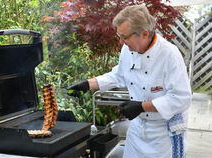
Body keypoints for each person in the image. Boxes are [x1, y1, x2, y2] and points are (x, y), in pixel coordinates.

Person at [67, 5, 192, 158]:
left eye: (125, 37)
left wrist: (142, 106)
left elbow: (181, 98)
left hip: (164, 133)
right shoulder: (128, 50)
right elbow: (118, 75)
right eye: (119, 36)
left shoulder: (169, 54)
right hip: (138, 130)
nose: (121, 42)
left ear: (144, 34)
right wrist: (88, 84)